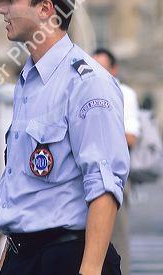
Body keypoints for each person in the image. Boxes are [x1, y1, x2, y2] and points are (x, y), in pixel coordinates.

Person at [0, 0, 130, 275]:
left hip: (67, 258)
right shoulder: (27, 81)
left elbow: (104, 185)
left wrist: (90, 270)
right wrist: (3, 264)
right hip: (22, 257)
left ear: (45, 9)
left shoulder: (87, 82)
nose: (1, 8)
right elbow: (24, 191)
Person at [93, 48, 140, 275]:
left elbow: (131, 136)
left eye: (103, 67)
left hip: (114, 178)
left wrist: (96, 136)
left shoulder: (123, 93)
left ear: (114, 70)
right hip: (86, 177)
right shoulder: (85, 90)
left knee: (117, 242)